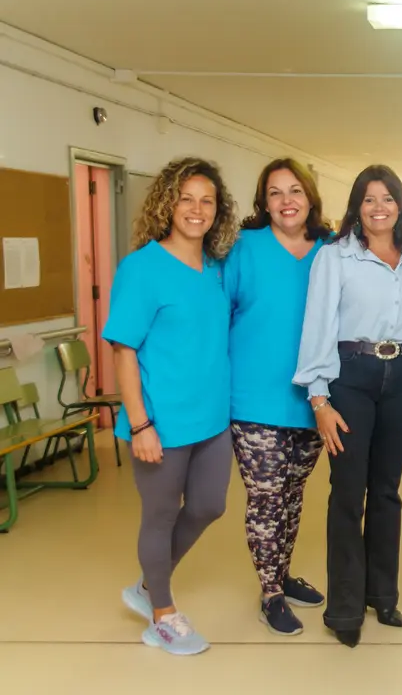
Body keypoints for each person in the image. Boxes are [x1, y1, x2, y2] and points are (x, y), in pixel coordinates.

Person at [106, 156, 238, 656]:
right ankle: (161, 612)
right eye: (187, 199)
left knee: (209, 505)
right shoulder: (141, 268)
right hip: (160, 421)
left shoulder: (217, 269)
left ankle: (145, 585)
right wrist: (141, 425)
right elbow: (124, 350)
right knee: (159, 516)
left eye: (207, 201)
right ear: (168, 203)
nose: (196, 209)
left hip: (211, 420)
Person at [293, 164, 402, 648]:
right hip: (351, 375)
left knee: (387, 490)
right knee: (348, 491)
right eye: (369, 199)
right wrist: (319, 398)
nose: (378, 208)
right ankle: (345, 606)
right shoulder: (336, 257)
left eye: (387, 198)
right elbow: (318, 324)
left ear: (399, 205)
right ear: (357, 206)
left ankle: (381, 594)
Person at [224, 158, 331, 635]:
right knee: (265, 498)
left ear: (310, 198)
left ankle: (283, 574)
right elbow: (214, 316)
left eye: (295, 191)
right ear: (263, 202)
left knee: (291, 495)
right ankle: (269, 593)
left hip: (312, 399)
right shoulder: (242, 249)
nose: (286, 201)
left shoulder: (330, 250)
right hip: (254, 400)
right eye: (275, 193)